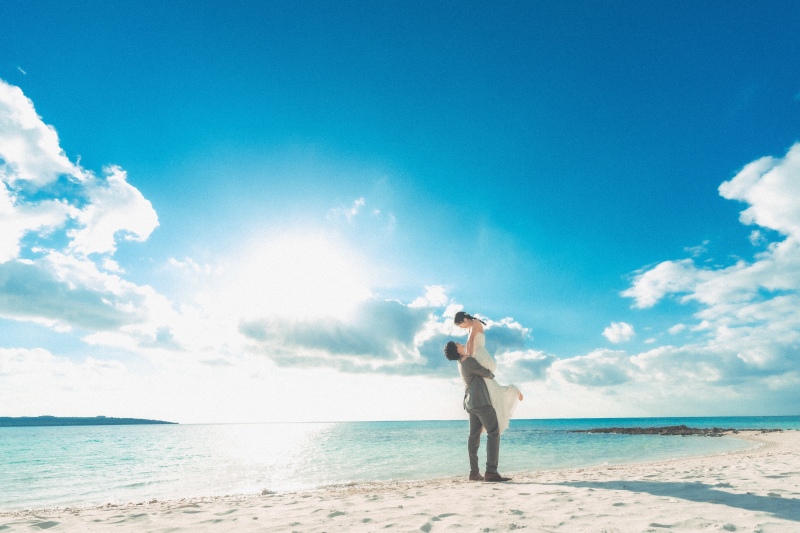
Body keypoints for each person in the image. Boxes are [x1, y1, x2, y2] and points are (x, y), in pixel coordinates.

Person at [445, 340, 511, 482]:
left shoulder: (461, 363)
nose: (460, 343)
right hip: (480, 401)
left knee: (473, 437)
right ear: (457, 350)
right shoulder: (468, 361)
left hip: (470, 402)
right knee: (493, 432)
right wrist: (491, 373)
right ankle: (491, 472)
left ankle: (474, 473)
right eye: (457, 344)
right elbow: (486, 373)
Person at [454, 312, 523, 434]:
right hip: (476, 354)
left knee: (489, 385)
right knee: (489, 387)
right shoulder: (469, 328)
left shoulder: (475, 323)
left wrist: (469, 358)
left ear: (464, 319)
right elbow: (469, 344)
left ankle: (512, 390)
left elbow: (470, 342)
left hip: (479, 355)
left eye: (460, 325)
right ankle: (487, 416)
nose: (461, 328)